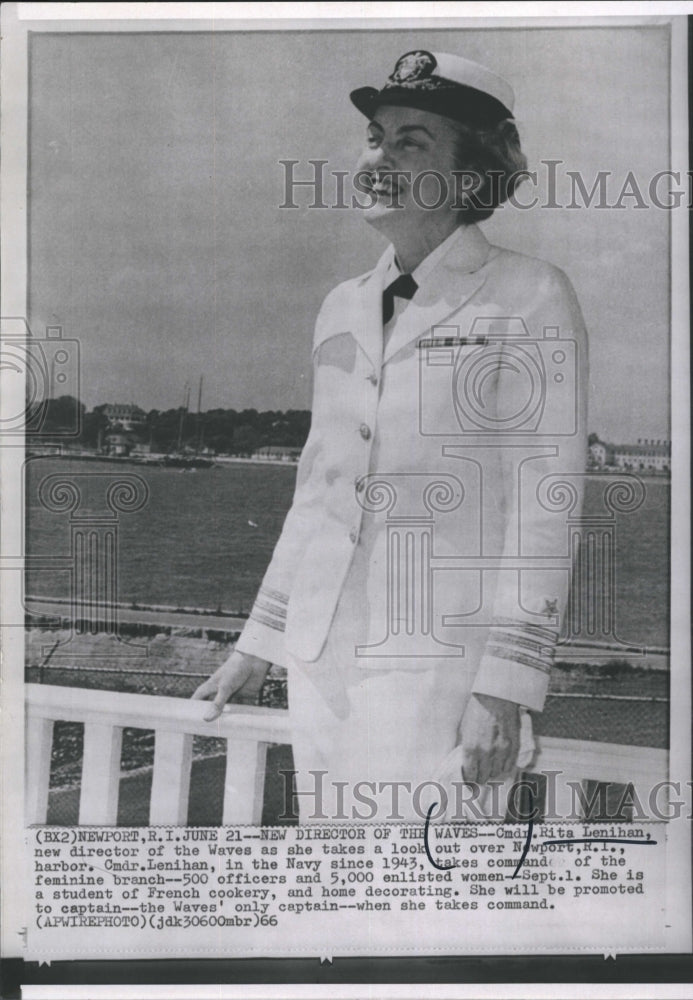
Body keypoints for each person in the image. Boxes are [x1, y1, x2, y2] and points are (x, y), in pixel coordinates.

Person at [193, 50, 588, 823]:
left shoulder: (529, 296)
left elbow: (545, 504)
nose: (378, 159)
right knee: (337, 871)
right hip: (319, 663)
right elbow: (318, 494)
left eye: (411, 142)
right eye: (375, 138)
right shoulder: (341, 304)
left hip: (440, 667)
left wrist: (503, 689)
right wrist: (256, 646)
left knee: (418, 881)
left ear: (470, 174)